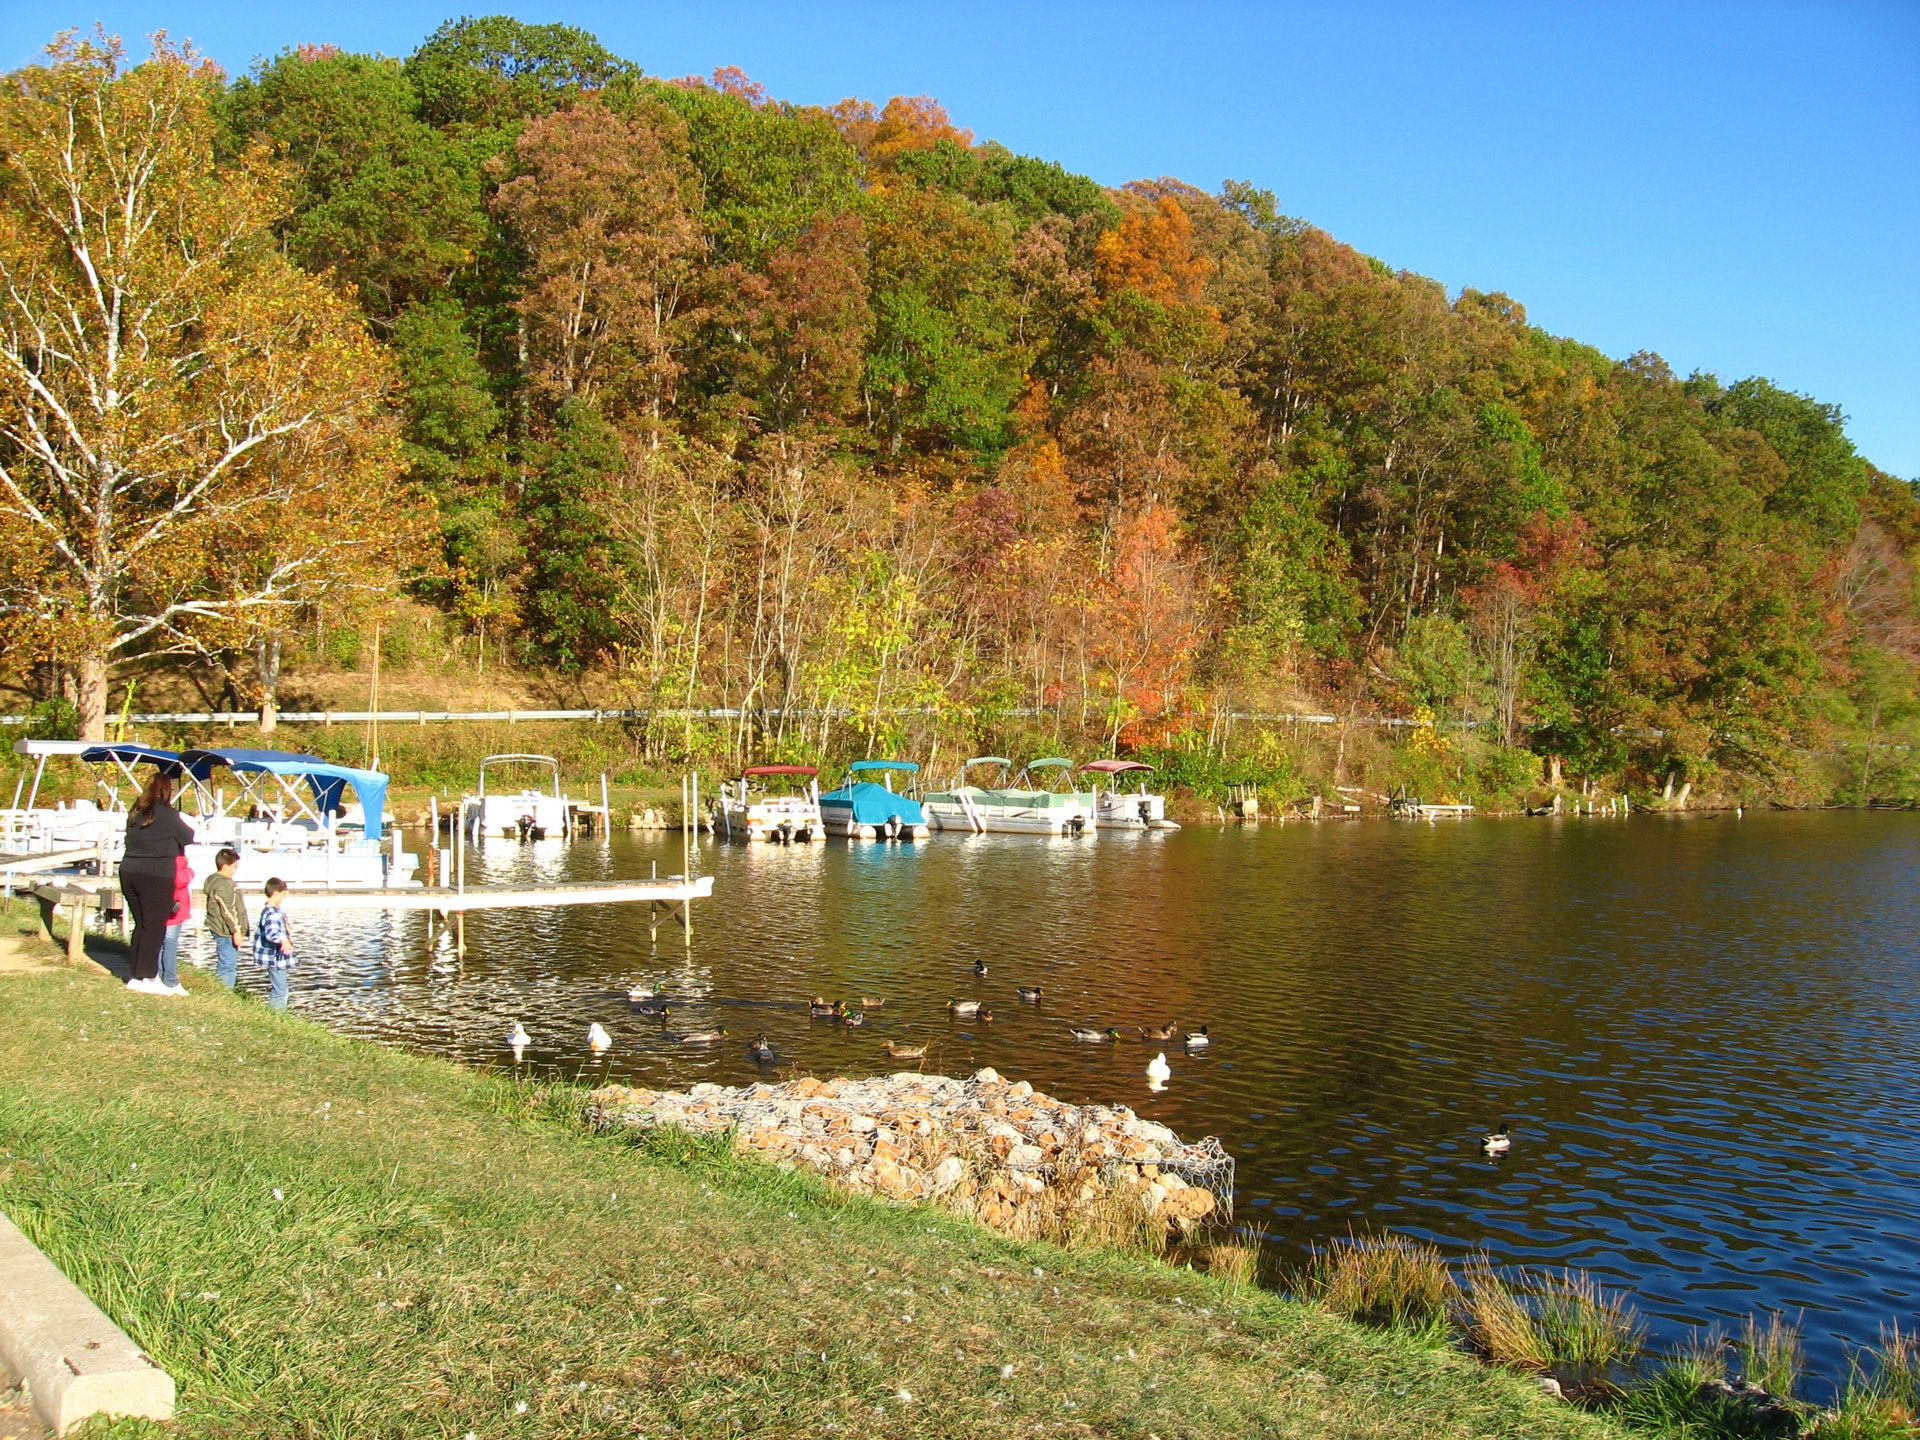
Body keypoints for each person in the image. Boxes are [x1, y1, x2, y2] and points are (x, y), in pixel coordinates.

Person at [121, 771, 194, 994]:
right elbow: (188, 836)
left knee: (141, 925)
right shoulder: (168, 815)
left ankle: (136, 975)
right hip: (156, 875)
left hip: (129, 871)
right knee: (154, 928)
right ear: (166, 791)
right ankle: (151, 978)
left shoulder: (134, 812)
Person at [203, 848, 248, 989]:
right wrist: (236, 930)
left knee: (226, 962)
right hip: (226, 930)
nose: (236, 869)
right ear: (225, 866)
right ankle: (225, 993)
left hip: (218, 927)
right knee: (228, 966)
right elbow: (227, 908)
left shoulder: (213, 879)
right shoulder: (225, 884)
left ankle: (223, 991)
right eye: (234, 866)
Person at [254, 877, 295, 1010]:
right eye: (283, 894)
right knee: (280, 991)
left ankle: (277, 1014)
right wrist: (283, 939)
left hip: (279, 957)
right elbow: (271, 933)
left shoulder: (276, 910)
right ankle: (276, 1016)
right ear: (275, 893)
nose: (284, 897)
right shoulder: (271, 912)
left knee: (281, 988)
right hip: (275, 958)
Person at [155, 851, 192, 996]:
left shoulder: (160, 858)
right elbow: (180, 879)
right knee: (170, 943)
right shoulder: (177, 861)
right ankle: (170, 980)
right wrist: (190, 872)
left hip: (162, 907)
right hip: (174, 910)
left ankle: (157, 974)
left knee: (159, 942)